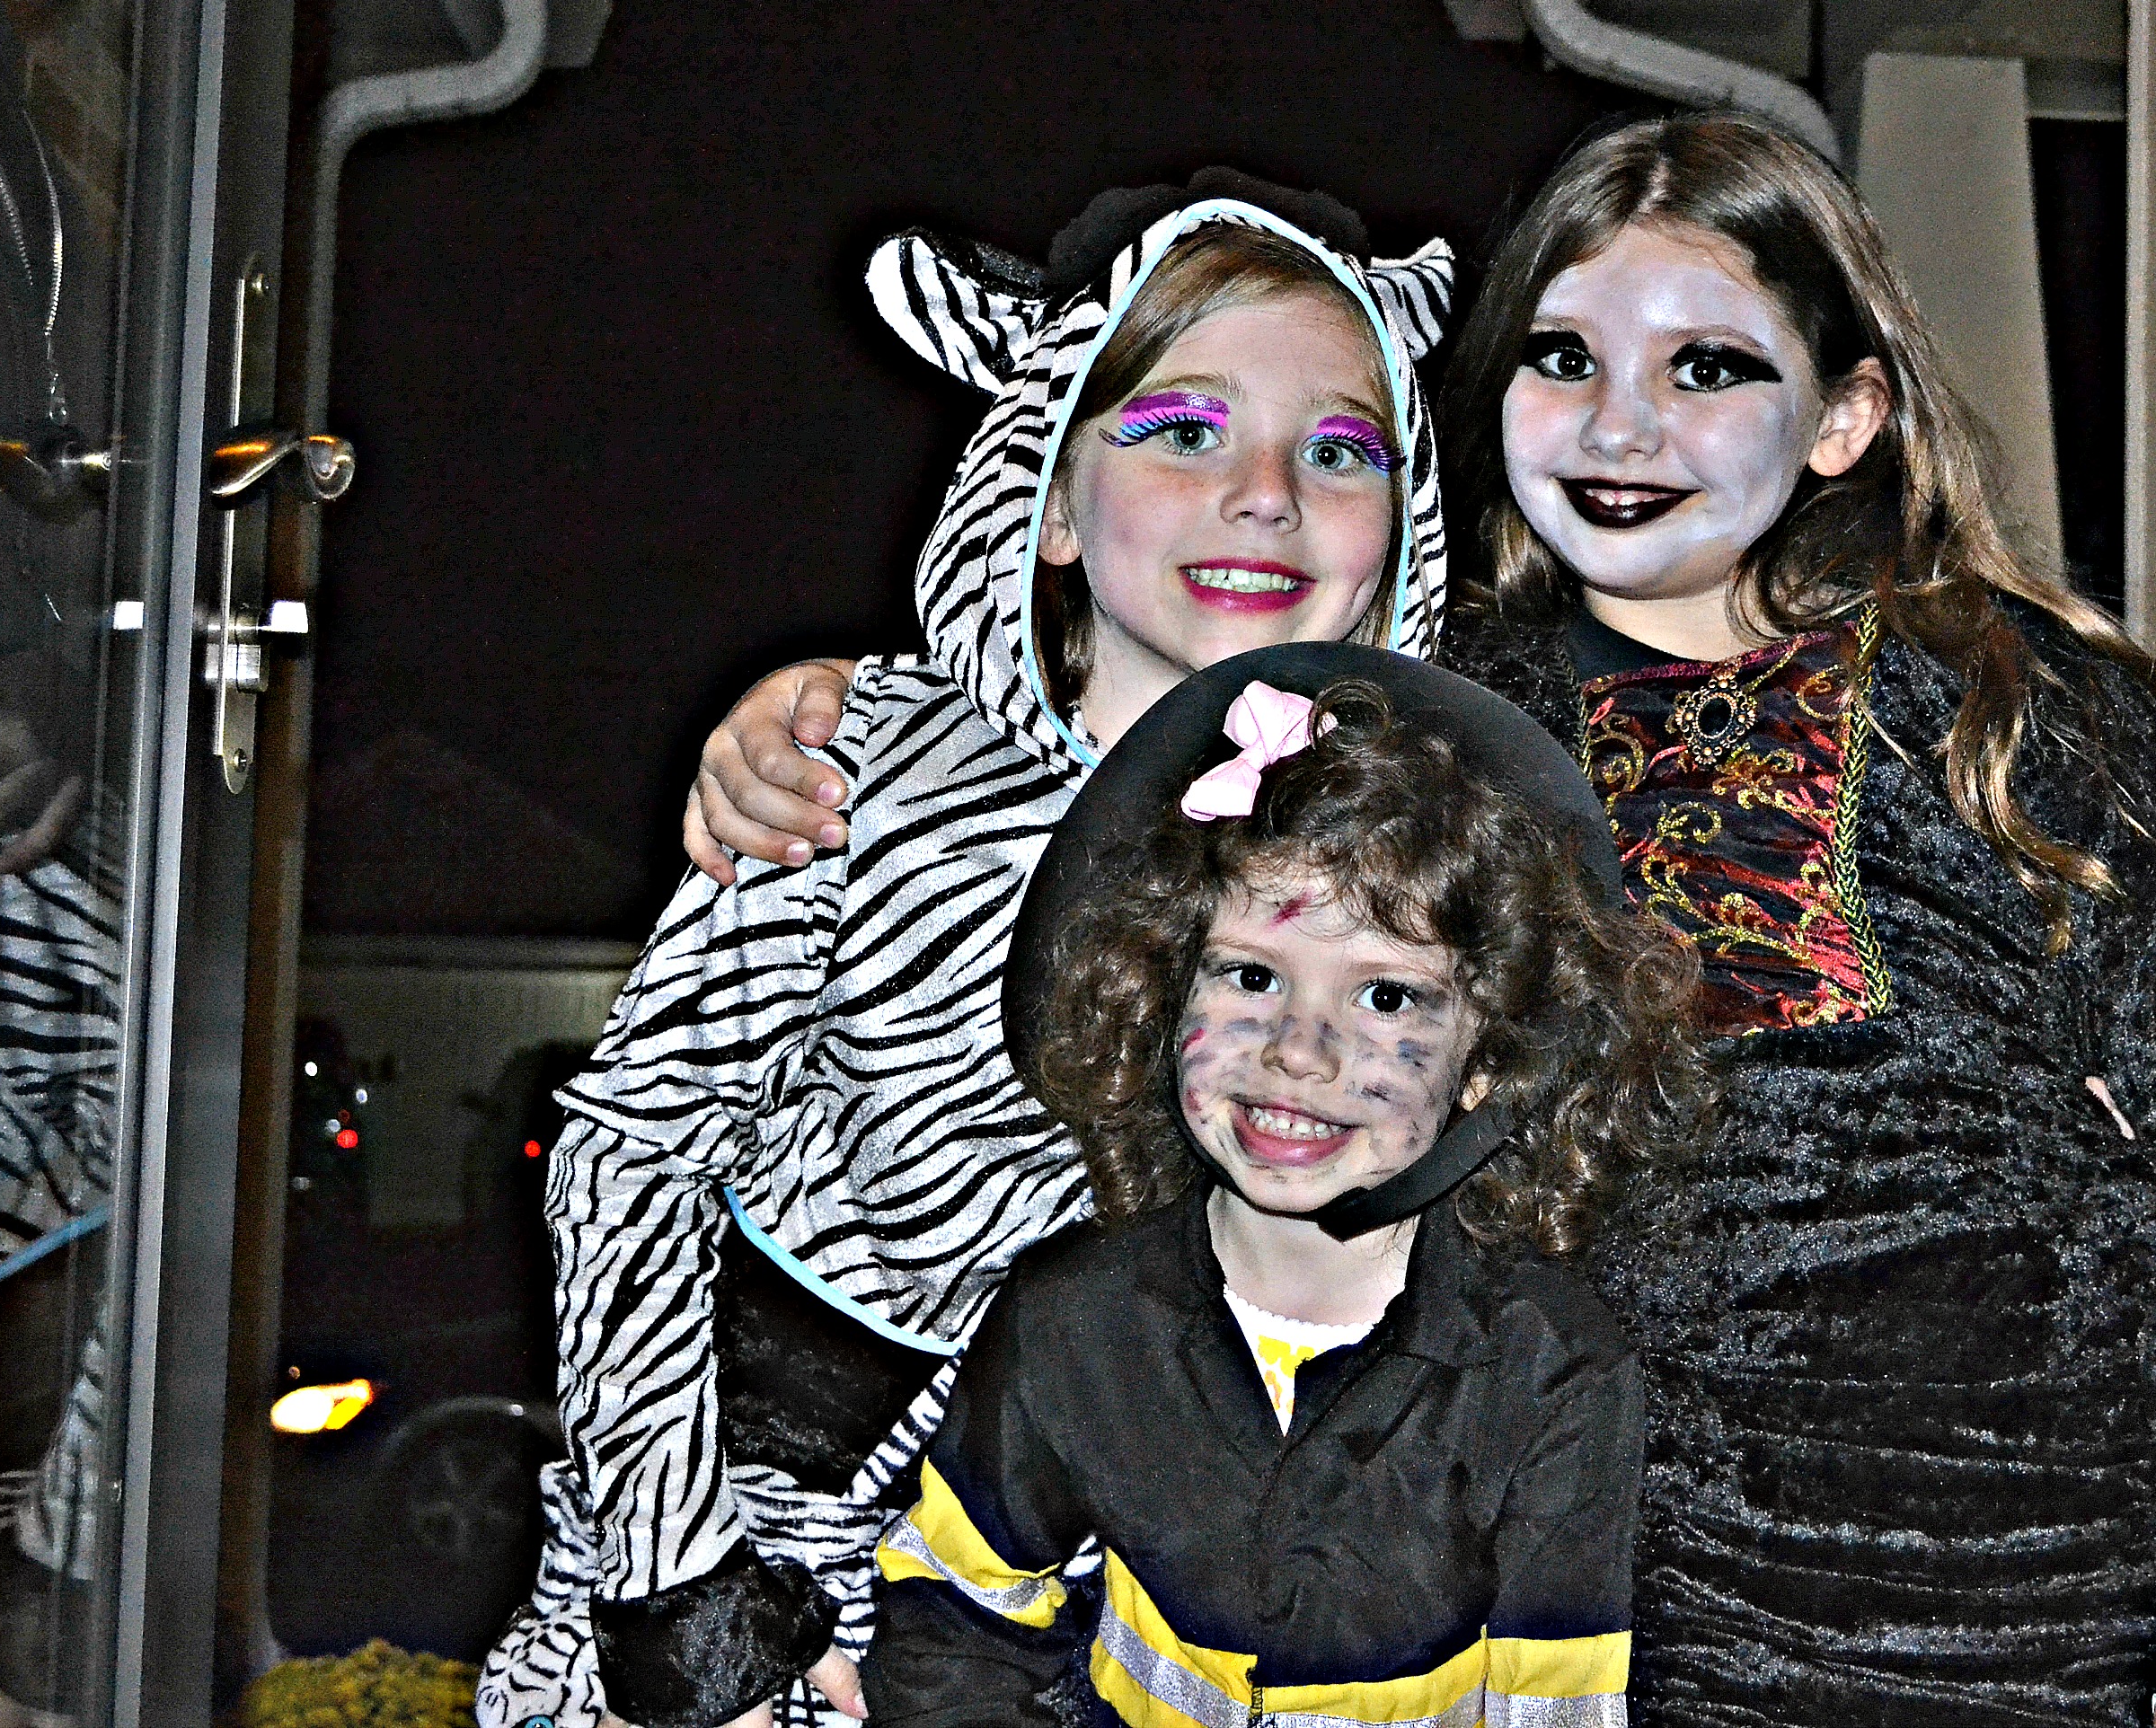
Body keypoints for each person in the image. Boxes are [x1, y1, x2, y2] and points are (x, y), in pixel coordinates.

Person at [689, 114, 2156, 1728]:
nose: (1619, 427)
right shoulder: (1420, 724)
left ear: (1842, 417)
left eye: (1706, 368)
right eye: (1562, 358)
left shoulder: (2008, 707)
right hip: (1581, 1569)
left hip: (2027, 1564)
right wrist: (824, 709)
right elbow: (1134, 799)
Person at [478, 178, 1456, 1728]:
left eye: (1340, 450)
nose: (1266, 492)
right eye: (1182, 429)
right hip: (797, 1595)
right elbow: (628, 1157)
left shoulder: (1418, 864)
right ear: (1048, 496)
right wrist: (687, 1592)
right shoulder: (854, 770)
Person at [862, 652, 1707, 1727]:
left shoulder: (1554, 1371)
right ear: (1164, 991)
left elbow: (1557, 1712)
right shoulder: (1070, 1319)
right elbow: (954, 1626)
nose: (1299, 1051)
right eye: (1251, 975)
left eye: (1387, 997)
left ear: (1488, 1060)